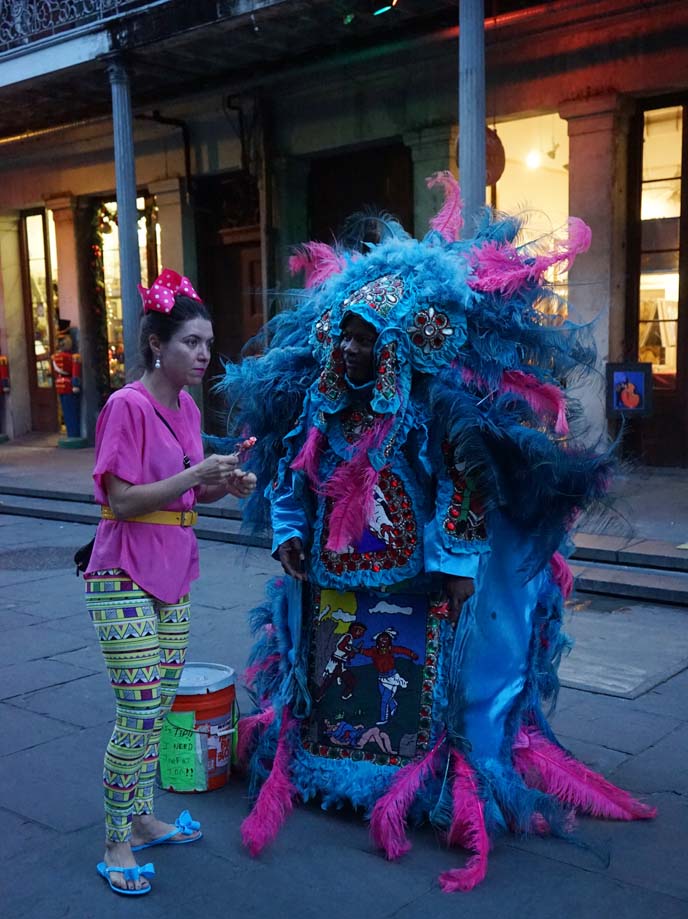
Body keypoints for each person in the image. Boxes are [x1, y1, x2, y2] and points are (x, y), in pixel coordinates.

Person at [221, 174, 655, 891]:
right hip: (335, 582)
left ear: (390, 346)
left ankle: (418, 786)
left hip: (415, 583)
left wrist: (455, 559)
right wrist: (290, 533)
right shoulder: (325, 412)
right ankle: (338, 769)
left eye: (366, 342)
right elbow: (292, 478)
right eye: (347, 341)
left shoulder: (427, 414)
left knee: (412, 691)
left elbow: (461, 484)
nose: (353, 354)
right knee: (337, 680)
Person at [84, 268, 256, 896]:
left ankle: (145, 815)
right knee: (135, 710)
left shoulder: (185, 407)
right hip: (121, 576)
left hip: (174, 574)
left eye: (208, 343)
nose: (203, 354)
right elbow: (125, 502)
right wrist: (196, 478)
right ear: (157, 344)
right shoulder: (124, 406)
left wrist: (222, 483)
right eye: (190, 341)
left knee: (158, 706)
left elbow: (188, 492)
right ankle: (115, 838)